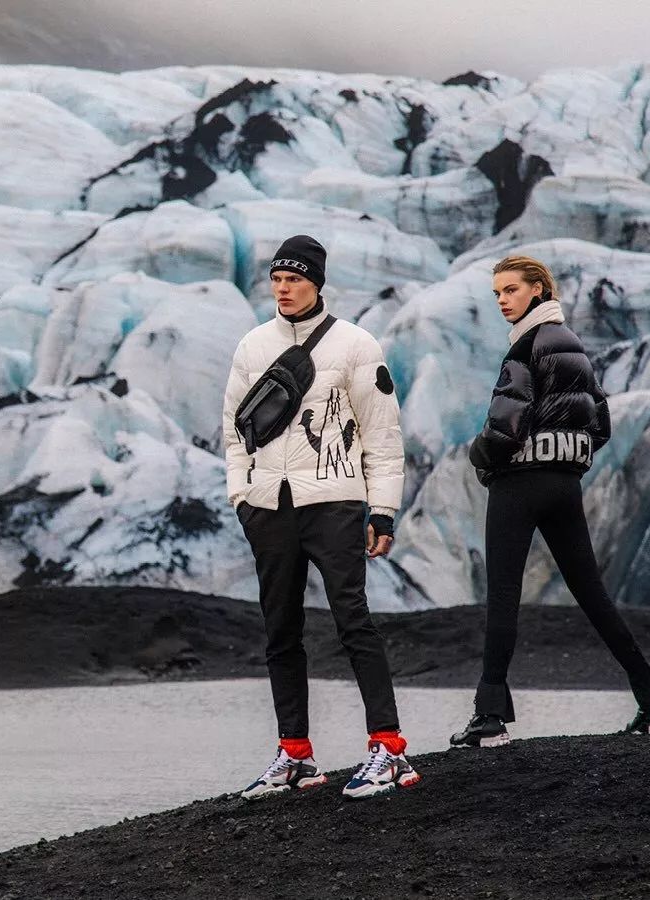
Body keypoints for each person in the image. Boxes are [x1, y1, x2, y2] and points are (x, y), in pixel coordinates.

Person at [223, 234, 420, 799]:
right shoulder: (252, 346)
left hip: (333, 501)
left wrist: (382, 510)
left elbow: (383, 438)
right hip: (269, 508)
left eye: (295, 279)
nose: (283, 289)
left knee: (352, 620)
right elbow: (234, 433)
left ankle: (388, 748)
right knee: (280, 632)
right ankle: (295, 755)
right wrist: (243, 496)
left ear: (317, 282)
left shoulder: (357, 346)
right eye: (277, 280)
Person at [451, 255, 650, 748]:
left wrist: (480, 456)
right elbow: (601, 420)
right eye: (497, 294)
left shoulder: (527, 347)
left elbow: (505, 425)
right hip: (564, 485)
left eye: (510, 291)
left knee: (504, 594)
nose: (503, 301)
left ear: (537, 290)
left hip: (519, 483)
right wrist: (568, 458)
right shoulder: (572, 344)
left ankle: (489, 719)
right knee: (592, 593)